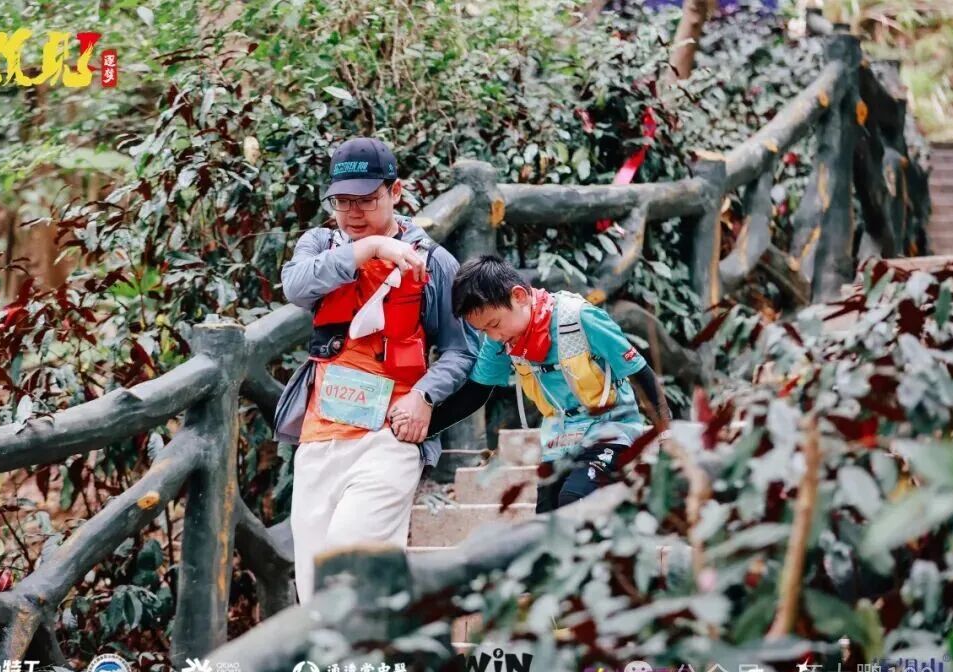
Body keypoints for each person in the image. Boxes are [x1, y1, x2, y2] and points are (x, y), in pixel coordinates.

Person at [274, 137, 475, 602]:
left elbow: (461, 351)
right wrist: (370, 248)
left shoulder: (434, 262)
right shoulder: (320, 244)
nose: (353, 212)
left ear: (395, 191)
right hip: (319, 435)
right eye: (343, 201)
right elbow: (295, 286)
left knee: (352, 563)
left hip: (390, 438)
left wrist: (424, 396)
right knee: (313, 586)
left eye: (366, 199)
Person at [404, 255, 671, 513]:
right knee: (546, 517)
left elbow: (640, 373)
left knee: (574, 499)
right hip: (561, 436)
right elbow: (475, 393)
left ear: (519, 296)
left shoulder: (580, 318)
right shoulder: (500, 342)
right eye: (484, 330)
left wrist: (665, 435)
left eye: (494, 324)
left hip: (609, 428)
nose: (493, 337)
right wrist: (422, 427)